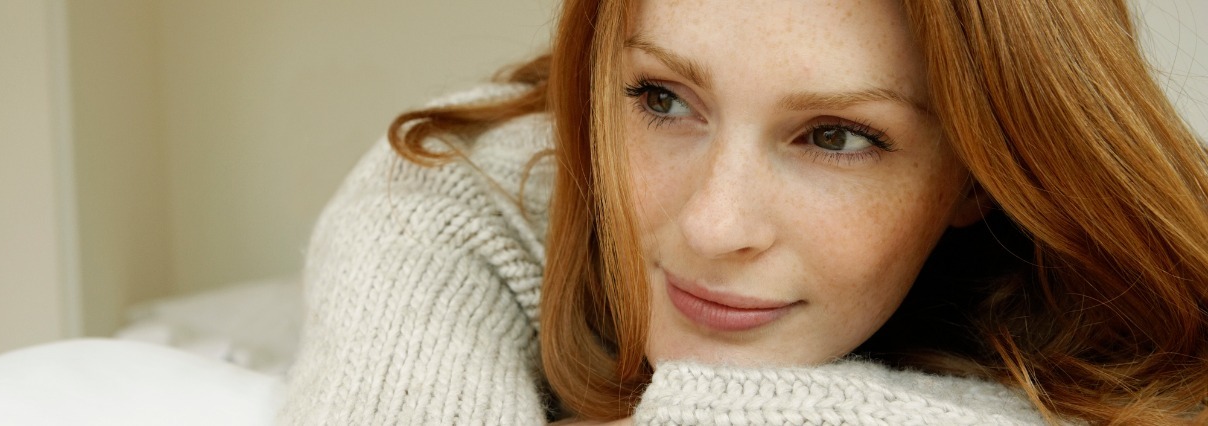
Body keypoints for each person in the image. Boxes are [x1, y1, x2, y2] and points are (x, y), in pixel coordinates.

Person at [278, 0, 1208, 424]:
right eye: (662, 99)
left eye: (837, 137)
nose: (715, 227)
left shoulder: (1103, 290)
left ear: (979, 170)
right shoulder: (461, 199)